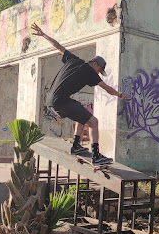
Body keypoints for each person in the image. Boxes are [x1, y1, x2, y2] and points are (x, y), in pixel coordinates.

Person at [31, 23, 126, 165]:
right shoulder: (90, 72)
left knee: (81, 114)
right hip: (61, 101)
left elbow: (58, 46)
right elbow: (106, 88)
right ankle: (96, 156)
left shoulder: (73, 59)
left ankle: (75, 146)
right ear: (95, 64)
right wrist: (119, 94)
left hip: (51, 100)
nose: (99, 73)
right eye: (99, 70)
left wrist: (43, 35)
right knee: (94, 122)